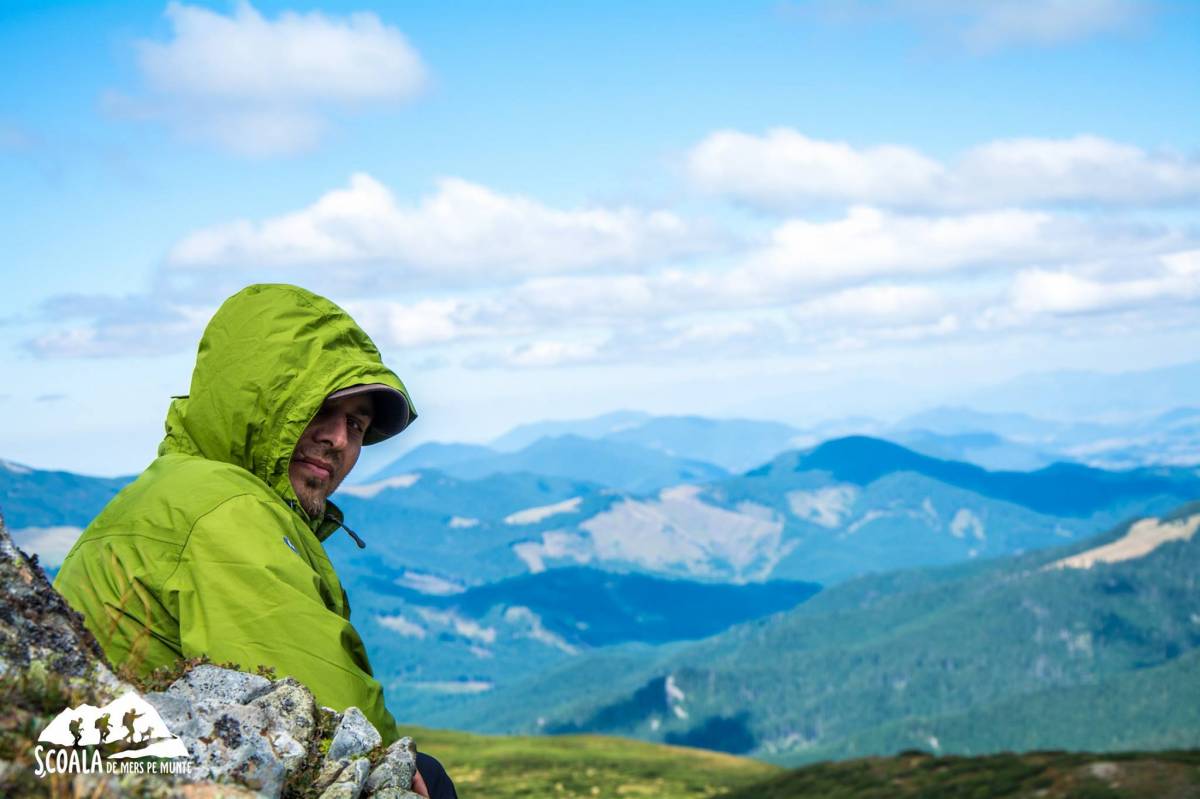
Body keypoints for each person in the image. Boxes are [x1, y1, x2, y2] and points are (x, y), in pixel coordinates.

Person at [54, 283, 456, 797]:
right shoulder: (224, 511)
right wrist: (394, 765)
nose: (338, 439)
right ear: (256, 405)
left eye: (355, 424)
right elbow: (337, 731)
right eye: (319, 410)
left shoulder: (181, 490)